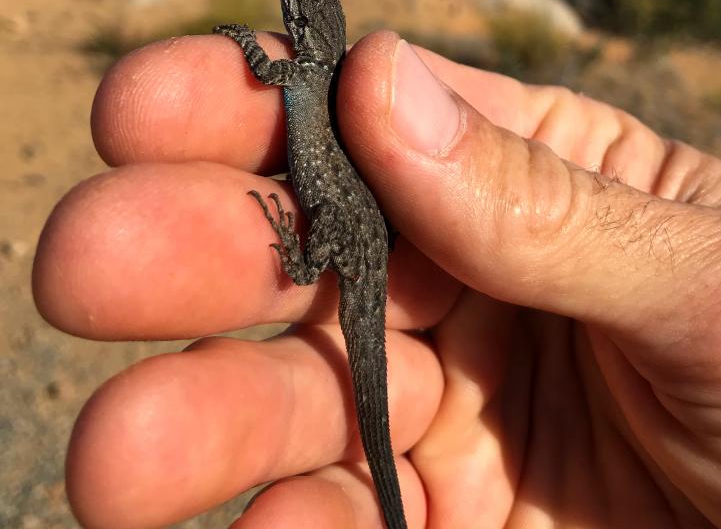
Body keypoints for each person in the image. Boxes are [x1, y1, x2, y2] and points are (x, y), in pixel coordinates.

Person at [33, 30, 721, 528]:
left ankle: (302, 266)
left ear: (306, 27)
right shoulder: (315, 73)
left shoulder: (304, 73)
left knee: (359, 370)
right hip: (362, 236)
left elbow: (258, 72)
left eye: (298, 3)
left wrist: (245, 44)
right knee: (363, 389)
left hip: (353, 237)